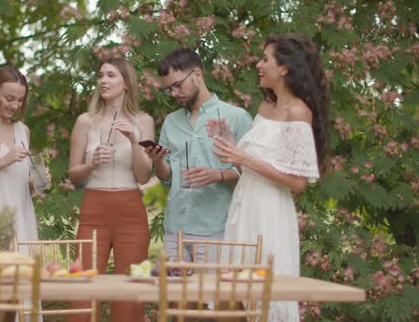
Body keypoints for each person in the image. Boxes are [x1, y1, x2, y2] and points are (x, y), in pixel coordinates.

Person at [212, 33, 330, 321]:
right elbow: (249, 163)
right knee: (234, 295)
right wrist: (228, 141)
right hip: (244, 207)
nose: (258, 64)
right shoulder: (265, 108)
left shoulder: (298, 112)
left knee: (266, 299)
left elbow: (297, 183)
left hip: (270, 214)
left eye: (265, 59)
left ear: (285, 67)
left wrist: (245, 158)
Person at [144, 48, 252, 263]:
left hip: (216, 229)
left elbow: (253, 174)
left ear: (197, 75)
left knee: (211, 296)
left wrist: (218, 175)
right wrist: (158, 162)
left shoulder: (237, 117)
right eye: (169, 89)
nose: (174, 93)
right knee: (172, 295)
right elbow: (168, 178)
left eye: (177, 85)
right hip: (175, 229)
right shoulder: (171, 121)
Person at [68, 57, 154, 322]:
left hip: (131, 209)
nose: (103, 81)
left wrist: (135, 140)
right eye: (100, 76)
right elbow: (73, 173)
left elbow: (144, 175)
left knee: (130, 289)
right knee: (84, 286)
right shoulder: (86, 121)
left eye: (111, 75)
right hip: (94, 207)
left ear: (126, 83)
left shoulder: (144, 120)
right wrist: (91, 164)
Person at [0, 65, 45, 249]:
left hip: (21, 216)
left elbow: (22, 184)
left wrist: (36, 181)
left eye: (20, 100)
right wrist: (4, 160)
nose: (15, 105)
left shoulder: (23, 130)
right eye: (9, 98)